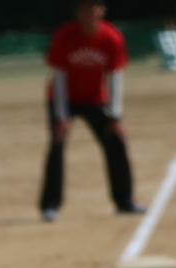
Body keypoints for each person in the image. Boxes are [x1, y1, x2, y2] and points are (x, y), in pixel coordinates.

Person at [39, 0, 146, 221]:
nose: (90, 12)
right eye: (85, 7)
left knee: (115, 142)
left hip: (95, 98)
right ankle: (50, 206)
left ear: (102, 10)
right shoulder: (64, 35)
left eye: (95, 7)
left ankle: (124, 201)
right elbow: (59, 76)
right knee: (57, 146)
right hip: (63, 99)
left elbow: (115, 76)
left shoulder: (111, 37)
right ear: (78, 11)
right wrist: (61, 116)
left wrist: (115, 115)